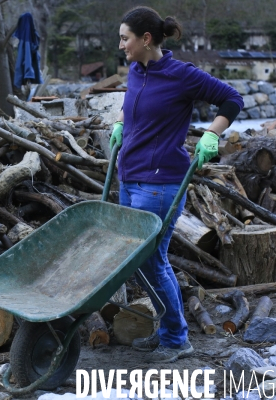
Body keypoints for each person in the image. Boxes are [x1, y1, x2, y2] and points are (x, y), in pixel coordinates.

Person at [110, 6, 243, 363]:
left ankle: (176, 338)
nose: (121, 45)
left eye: (125, 38)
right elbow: (133, 103)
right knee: (139, 261)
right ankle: (169, 330)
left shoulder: (181, 74)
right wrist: (122, 122)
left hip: (161, 183)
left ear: (146, 39)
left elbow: (232, 99)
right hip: (131, 177)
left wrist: (212, 135)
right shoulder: (136, 70)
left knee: (151, 260)